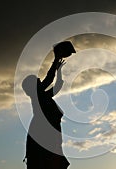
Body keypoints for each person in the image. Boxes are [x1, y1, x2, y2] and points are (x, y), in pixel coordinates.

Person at [22, 41, 76, 169]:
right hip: (43, 135)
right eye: (37, 81)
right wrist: (56, 59)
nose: (40, 80)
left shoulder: (42, 96)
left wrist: (59, 70)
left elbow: (57, 87)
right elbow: (49, 79)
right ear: (33, 87)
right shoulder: (38, 95)